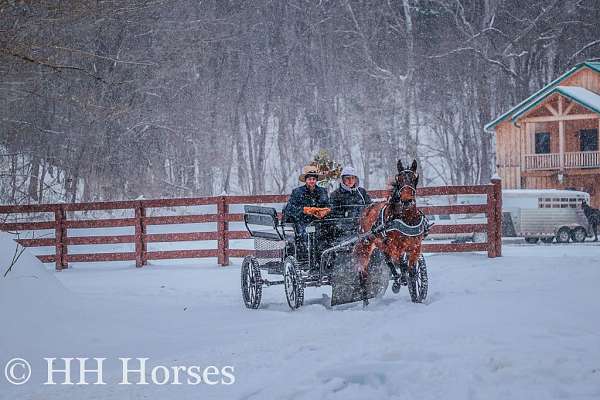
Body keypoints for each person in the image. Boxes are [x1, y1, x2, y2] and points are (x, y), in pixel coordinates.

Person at [283, 166, 331, 240]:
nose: (312, 181)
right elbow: (289, 209)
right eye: (309, 179)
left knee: (329, 233)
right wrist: (305, 210)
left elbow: (328, 205)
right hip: (302, 222)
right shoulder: (297, 192)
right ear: (305, 180)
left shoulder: (322, 191)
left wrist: (325, 211)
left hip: (319, 222)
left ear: (316, 180)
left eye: (314, 179)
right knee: (306, 236)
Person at [330, 166, 372, 237]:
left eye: (353, 178)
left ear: (356, 179)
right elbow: (334, 216)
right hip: (344, 230)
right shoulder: (335, 194)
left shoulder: (362, 192)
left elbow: (370, 208)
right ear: (343, 179)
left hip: (363, 226)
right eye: (348, 178)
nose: (350, 180)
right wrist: (348, 222)